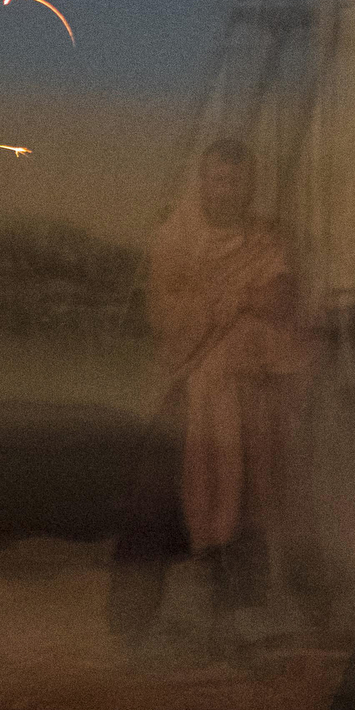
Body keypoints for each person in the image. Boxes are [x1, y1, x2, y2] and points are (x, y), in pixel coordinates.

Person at [108, 139, 309, 654]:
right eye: (217, 179)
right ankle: (133, 630)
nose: (227, 190)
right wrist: (230, 302)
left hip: (243, 400)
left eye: (238, 181)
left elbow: (284, 305)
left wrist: (257, 307)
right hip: (181, 392)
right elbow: (165, 315)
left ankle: (236, 624)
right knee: (155, 501)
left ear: (250, 186)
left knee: (244, 501)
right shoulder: (176, 239)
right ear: (202, 181)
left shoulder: (265, 242)